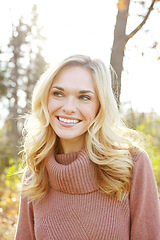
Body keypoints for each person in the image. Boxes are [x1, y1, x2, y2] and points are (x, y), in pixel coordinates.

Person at [15, 55, 160, 240]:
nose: (68, 107)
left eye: (84, 97)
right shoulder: (35, 172)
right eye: (58, 94)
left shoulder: (131, 164)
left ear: (100, 106)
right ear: (45, 99)